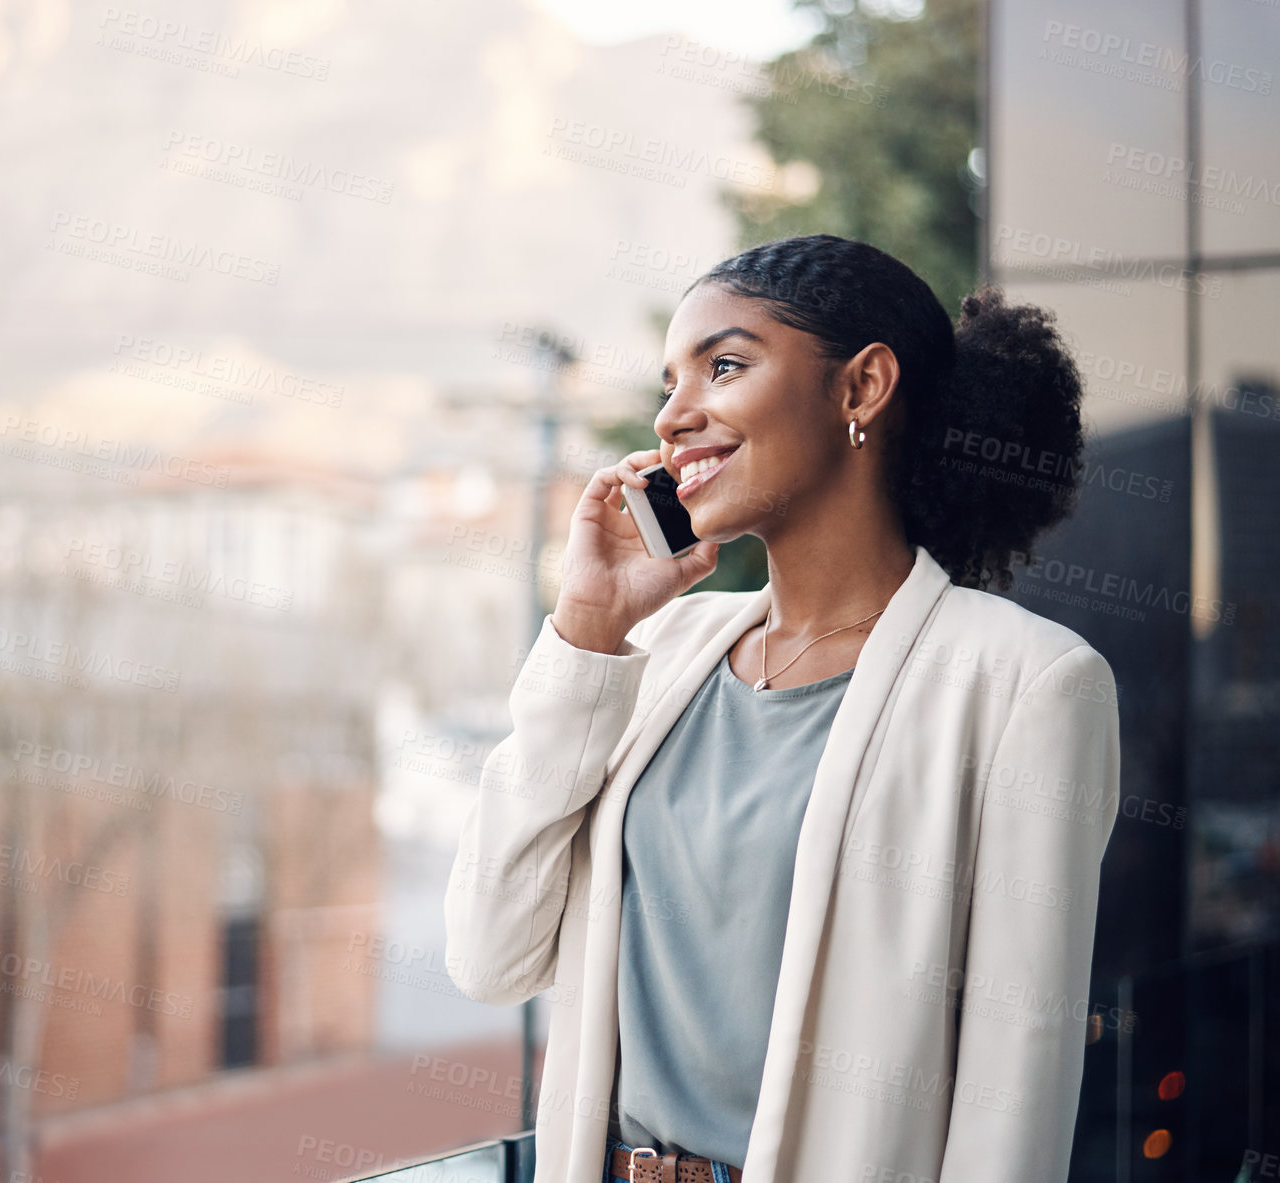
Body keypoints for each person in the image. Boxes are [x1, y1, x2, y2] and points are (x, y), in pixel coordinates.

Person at [444, 234, 1121, 1183]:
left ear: (861, 388)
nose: (674, 416)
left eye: (721, 366)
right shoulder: (661, 652)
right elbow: (490, 955)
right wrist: (585, 633)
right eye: (669, 381)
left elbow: (1016, 1085)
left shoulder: (1023, 683)